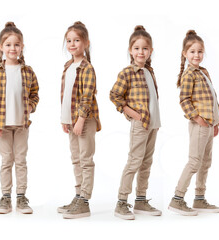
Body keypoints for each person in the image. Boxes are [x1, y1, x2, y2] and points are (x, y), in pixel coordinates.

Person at [168, 30, 219, 216]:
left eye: (200, 51)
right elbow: (184, 100)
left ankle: (199, 199)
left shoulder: (203, 72)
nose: (197, 55)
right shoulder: (189, 74)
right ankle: (177, 199)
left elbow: (212, 99)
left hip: (209, 125)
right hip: (199, 124)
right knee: (194, 161)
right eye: (192, 51)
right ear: (185, 53)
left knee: (205, 162)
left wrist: (216, 122)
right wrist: (197, 118)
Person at [110, 26, 162, 220]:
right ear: (131, 50)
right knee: (134, 162)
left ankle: (141, 200)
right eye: (137, 48)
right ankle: (121, 202)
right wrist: (132, 113)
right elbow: (114, 95)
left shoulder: (149, 71)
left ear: (150, 51)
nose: (141, 52)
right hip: (140, 124)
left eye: (145, 48)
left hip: (153, 124)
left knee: (146, 163)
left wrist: (152, 119)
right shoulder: (127, 73)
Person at [0, 22, 39, 214]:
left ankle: (21, 197)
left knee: (21, 160)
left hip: (22, 124)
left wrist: (30, 107)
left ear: (22, 47)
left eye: (16, 44)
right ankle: (6, 197)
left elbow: (35, 94)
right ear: (1, 47)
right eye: (8, 44)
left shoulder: (27, 71)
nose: (12, 48)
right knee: (6, 160)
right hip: (3, 125)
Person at [58, 21, 101, 219]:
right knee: (75, 159)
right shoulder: (68, 66)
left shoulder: (87, 67)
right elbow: (66, 95)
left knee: (85, 160)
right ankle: (78, 196)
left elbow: (87, 95)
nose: (72, 44)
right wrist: (64, 119)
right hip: (71, 121)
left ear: (86, 43)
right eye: (69, 41)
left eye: (77, 40)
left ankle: (85, 200)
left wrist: (80, 120)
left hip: (84, 120)